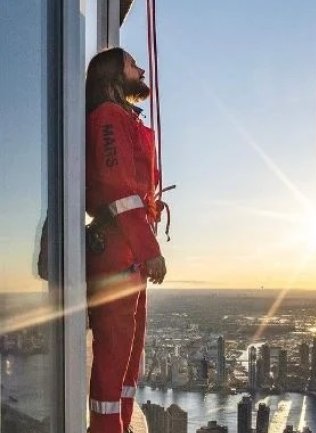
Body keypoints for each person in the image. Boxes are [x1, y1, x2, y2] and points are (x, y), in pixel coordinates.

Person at [85, 47, 167, 433]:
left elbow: (131, 188)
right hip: (119, 248)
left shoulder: (124, 119)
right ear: (114, 76)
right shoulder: (107, 117)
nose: (141, 69)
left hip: (129, 247)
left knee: (130, 352)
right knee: (114, 350)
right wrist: (150, 248)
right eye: (133, 65)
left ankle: (119, 422)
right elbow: (118, 188)